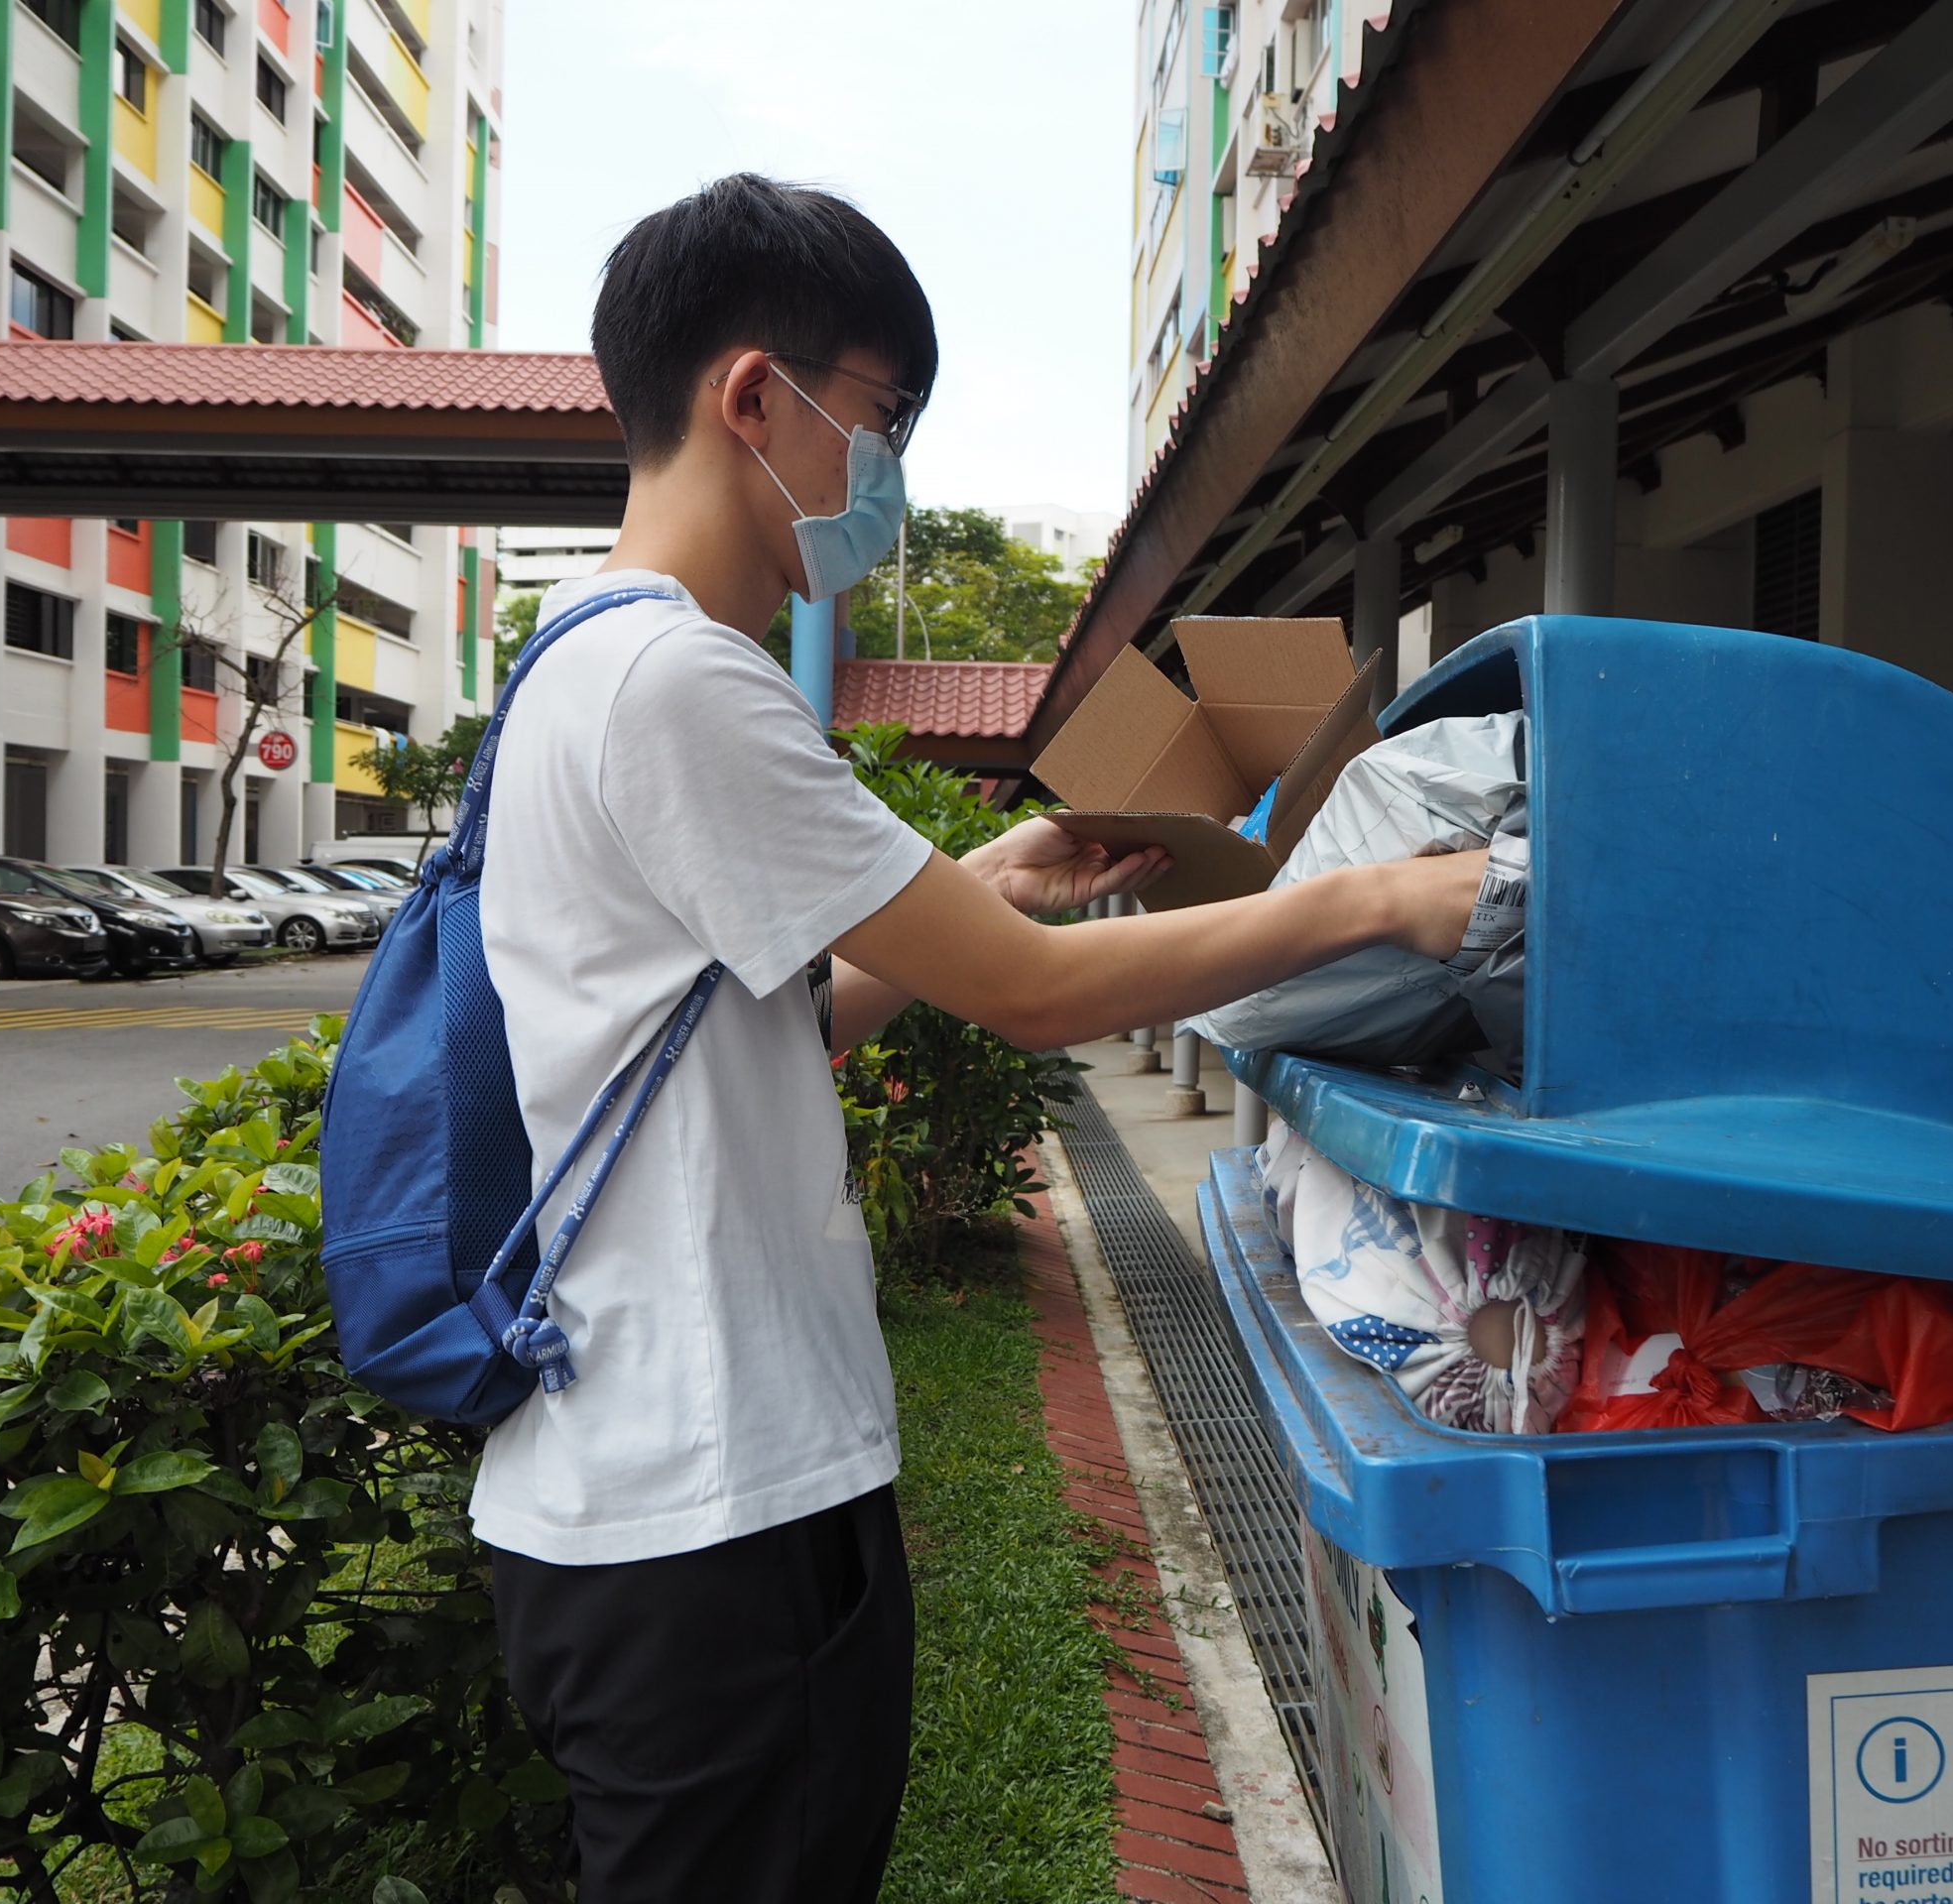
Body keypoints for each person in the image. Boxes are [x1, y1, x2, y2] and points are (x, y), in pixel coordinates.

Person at [475, 173, 1484, 1904]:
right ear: (752, 398)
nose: (891, 473)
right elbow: (1034, 1004)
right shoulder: (682, 683)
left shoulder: (586, 664)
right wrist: (1381, 902)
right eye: (884, 419)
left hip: (652, 1500)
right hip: (709, 1514)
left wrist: (992, 876)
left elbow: (780, 1025)